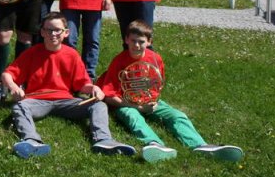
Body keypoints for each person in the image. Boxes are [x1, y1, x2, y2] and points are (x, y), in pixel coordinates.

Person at [97, 20, 244, 163]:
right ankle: (154, 144)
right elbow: (109, 97)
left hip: (149, 101)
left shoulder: (155, 59)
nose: (136, 45)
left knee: (178, 116)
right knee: (133, 118)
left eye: (141, 42)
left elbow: (156, 85)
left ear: (149, 42)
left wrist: (152, 102)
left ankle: (201, 145)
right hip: (126, 103)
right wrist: (139, 107)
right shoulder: (118, 61)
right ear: (126, 40)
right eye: (133, 41)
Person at [2, 12, 136, 159]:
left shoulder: (72, 54)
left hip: (66, 101)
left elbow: (82, 84)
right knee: (20, 106)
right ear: (42, 32)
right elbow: (7, 74)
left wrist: (94, 88)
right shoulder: (32, 53)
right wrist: (14, 87)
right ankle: (31, 141)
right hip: (37, 100)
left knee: (99, 105)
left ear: (66, 33)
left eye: (57, 30)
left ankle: (103, 140)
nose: (53, 34)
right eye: (48, 30)